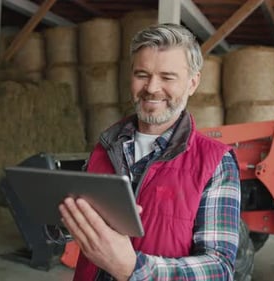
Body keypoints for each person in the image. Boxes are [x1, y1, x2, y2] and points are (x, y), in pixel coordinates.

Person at [59, 23, 240, 281]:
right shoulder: (105, 147)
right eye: (142, 74)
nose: (152, 88)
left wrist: (133, 269)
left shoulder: (216, 162)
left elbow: (219, 269)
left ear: (193, 82)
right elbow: (83, 230)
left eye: (167, 77)